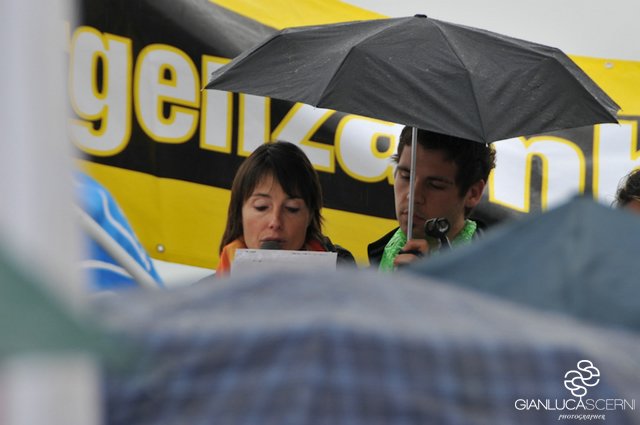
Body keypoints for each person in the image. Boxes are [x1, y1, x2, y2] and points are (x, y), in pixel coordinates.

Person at [216, 141, 355, 276]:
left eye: (291, 208)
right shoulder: (204, 294)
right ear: (240, 213)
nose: (275, 222)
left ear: (310, 215)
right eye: (261, 207)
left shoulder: (345, 275)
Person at [368, 126, 496, 271]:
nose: (413, 196)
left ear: (473, 193)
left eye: (435, 185)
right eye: (406, 176)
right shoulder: (373, 263)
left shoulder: (496, 275)